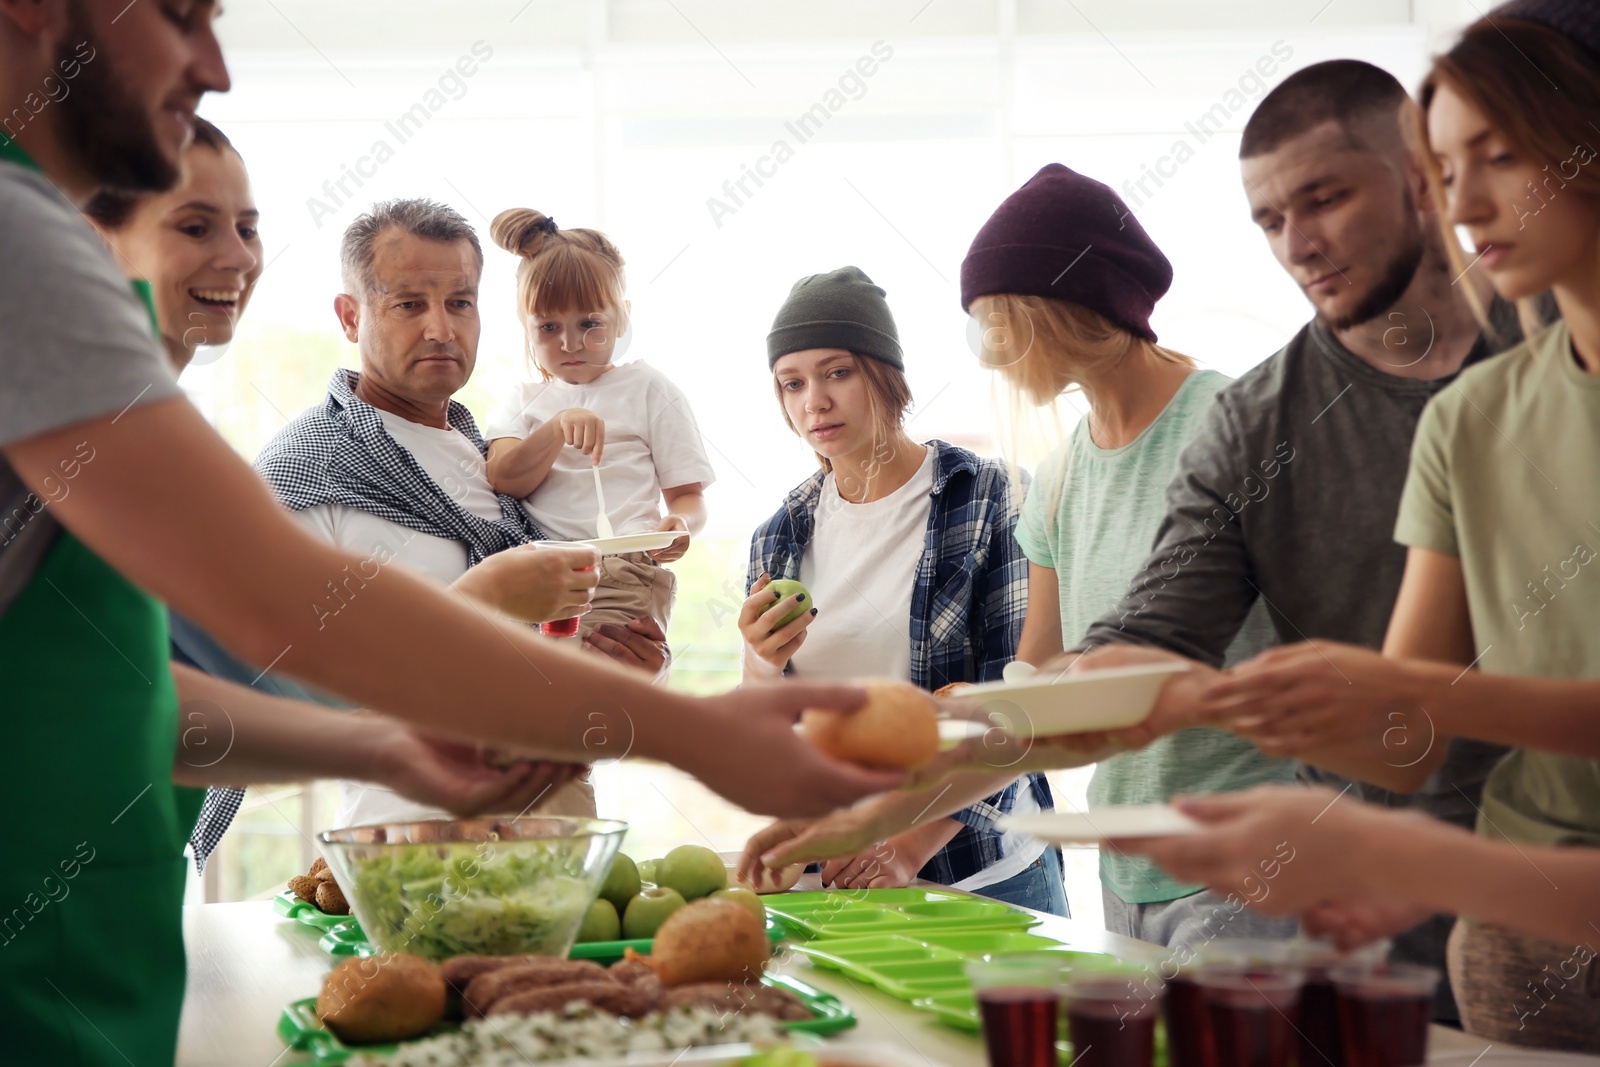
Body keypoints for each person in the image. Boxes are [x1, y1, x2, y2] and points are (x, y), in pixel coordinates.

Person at [0, 3, 902, 1061]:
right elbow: (278, 605)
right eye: (180, 14)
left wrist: (386, 742)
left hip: (89, 987)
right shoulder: (22, 242)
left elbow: (143, 700)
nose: (214, 67)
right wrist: (696, 732)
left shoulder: (486, 455)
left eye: (463, 302)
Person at [1161, 3, 1600, 1049]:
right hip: (1510, 936)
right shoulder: (1471, 418)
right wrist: (1258, 705)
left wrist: (1391, 700)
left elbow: (1411, 693)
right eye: (1448, 168)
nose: (1465, 203)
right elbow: (1410, 741)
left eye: (1499, 155)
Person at [964, 162, 1296, 946]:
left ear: (1054, 310)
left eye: (995, 321)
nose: (987, 354)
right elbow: (1042, 673)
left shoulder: (1236, 424)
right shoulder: (1060, 476)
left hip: (1248, 856)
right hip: (1128, 870)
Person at [736, 266, 1067, 915]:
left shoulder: (993, 499)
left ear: (886, 376)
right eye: (792, 383)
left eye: (838, 373)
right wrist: (760, 660)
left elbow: (1022, 705)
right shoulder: (779, 535)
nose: (814, 402)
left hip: (984, 876)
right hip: (842, 879)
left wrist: (907, 843)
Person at [484, 208, 714, 648]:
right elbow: (504, 479)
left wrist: (681, 524)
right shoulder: (522, 398)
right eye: (549, 327)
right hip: (539, 572)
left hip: (625, 569)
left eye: (590, 324)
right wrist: (556, 428)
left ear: (622, 317)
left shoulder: (649, 389)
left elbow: (689, 496)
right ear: (525, 325)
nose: (570, 343)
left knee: (600, 673)